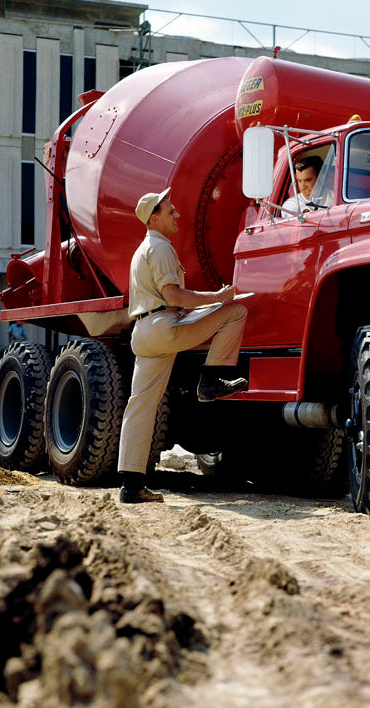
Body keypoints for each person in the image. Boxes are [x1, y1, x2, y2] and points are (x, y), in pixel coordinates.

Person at [116, 188, 249, 504]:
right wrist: (218, 298)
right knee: (236, 311)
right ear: (155, 217)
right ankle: (212, 379)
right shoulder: (161, 249)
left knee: (140, 408)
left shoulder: (142, 249)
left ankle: (130, 486)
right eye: (171, 211)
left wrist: (199, 306)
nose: (177, 215)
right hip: (164, 327)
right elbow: (174, 297)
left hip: (144, 332)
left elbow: (170, 299)